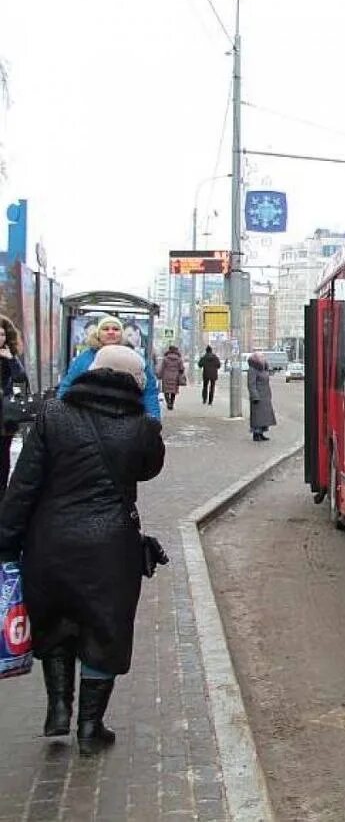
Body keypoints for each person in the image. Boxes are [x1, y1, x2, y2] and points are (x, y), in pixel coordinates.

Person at [0, 346, 165, 755]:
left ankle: (58, 709)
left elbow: (23, 486)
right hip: (111, 548)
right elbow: (150, 468)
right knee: (104, 631)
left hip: (48, 543)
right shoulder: (142, 426)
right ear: (136, 382)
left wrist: (6, 543)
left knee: (55, 625)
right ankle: (90, 728)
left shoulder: (53, 416)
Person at [59, 316, 162, 420]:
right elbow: (68, 384)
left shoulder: (134, 357)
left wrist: (153, 418)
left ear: (121, 334)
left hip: (126, 417)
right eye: (106, 329)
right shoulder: (84, 359)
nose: (111, 332)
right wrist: (60, 411)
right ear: (98, 333)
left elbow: (149, 390)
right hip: (89, 418)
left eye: (116, 329)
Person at [0, 314, 29, 495]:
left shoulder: (12, 361)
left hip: (4, 423)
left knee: (2, 465)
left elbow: (22, 390)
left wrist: (11, 360)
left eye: (2, 334)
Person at [246, 352, 276, 442]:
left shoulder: (263, 369)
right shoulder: (252, 369)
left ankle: (261, 433)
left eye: (263, 357)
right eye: (261, 357)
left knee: (264, 417)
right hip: (258, 397)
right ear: (256, 359)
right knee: (257, 417)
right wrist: (254, 396)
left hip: (265, 396)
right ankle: (256, 434)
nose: (263, 358)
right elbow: (251, 384)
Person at [157, 345, 185, 411]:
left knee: (166, 391)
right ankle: (171, 403)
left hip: (166, 376)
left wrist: (159, 375)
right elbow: (181, 368)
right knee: (173, 391)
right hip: (175, 376)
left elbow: (162, 368)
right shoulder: (179, 359)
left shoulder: (165, 359)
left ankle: (168, 403)